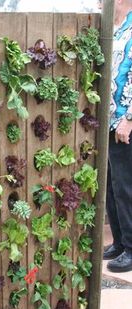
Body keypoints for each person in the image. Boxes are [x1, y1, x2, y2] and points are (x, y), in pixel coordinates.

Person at [102, 0, 132, 272]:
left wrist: (129, 119)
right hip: (108, 120)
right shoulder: (113, 26)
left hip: (125, 122)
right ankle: (120, 243)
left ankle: (131, 248)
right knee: (112, 186)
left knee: (126, 188)